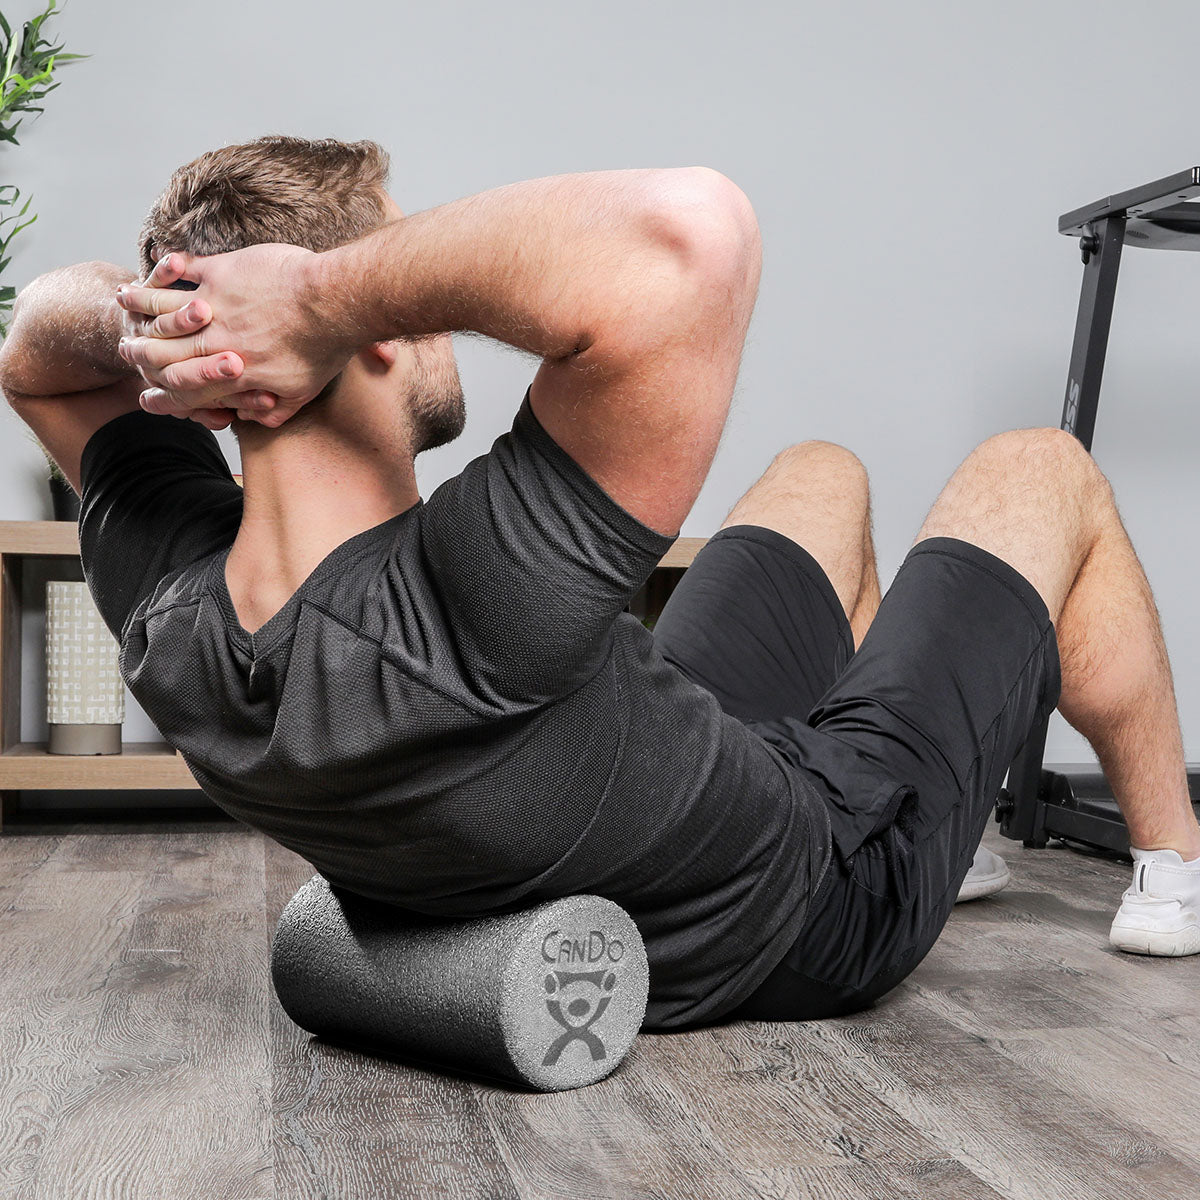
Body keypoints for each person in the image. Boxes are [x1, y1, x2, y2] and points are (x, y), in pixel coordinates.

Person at [2, 138, 1196, 1034]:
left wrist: (177, 322)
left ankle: (933, 807)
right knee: (1041, 470)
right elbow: (691, 234)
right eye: (384, 278)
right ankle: (1172, 868)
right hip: (820, 897)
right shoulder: (466, 606)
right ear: (349, 329)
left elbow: (31, 354)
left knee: (817, 477)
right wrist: (321, 290)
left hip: (642, 781)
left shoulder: (173, 609)